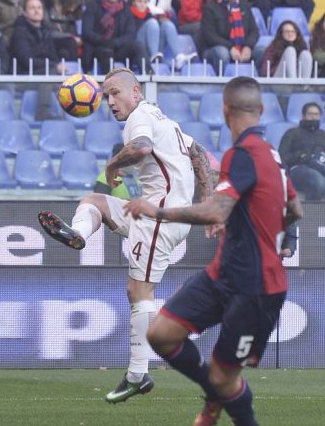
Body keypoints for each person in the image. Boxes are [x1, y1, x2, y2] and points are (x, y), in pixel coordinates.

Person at [124, 76, 304, 426]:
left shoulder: (244, 153)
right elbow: (296, 208)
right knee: (161, 333)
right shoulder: (271, 155)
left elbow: (217, 210)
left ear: (225, 110)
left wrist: (157, 211)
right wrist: (282, 234)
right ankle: (217, 396)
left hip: (256, 285)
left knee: (225, 379)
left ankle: (224, 399)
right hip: (224, 273)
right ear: (262, 110)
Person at [37, 67, 213, 404]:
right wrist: (204, 202)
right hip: (155, 211)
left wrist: (114, 165)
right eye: (105, 96)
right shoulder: (167, 122)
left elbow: (142, 147)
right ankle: (78, 233)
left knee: (138, 290)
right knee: (95, 202)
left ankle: (138, 374)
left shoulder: (139, 119)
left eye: (115, 92)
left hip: (159, 216)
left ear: (137, 92)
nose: (110, 101)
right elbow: (200, 154)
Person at [278, 102, 325, 201]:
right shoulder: (292, 133)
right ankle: (314, 215)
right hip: (299, 168)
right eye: (310, 114)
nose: (313, 117)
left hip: (323, 167)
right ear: (303, 116)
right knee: (319, 182)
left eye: (316, 114)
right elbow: (282, 157)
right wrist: (302, 156)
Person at [126, 0, 196, 70]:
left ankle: (179, 56)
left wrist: (160, 20)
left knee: (167, 25)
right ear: (133, 2)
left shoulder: (149, 15)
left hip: (154, 48)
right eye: (139, 1)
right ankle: (154, 56)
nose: (142, 4)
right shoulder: (128, 14)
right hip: (138, 51)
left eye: (145, 2)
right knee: (152, 23)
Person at [81, 0, 144, 74]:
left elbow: (130, 34)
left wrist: (115, 43)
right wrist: (103, 41)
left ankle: (149, 75)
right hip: (98, 48)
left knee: (138, 45)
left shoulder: (126, 8)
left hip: (118, 48)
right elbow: (86, 31)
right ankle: (112, 84)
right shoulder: (93, 7)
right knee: (106, 52)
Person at [202, 0, 260, 74]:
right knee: (222, 53)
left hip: (242, 47)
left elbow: (254, 31)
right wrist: (230, 47)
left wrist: (248, 46)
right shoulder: (210, 7)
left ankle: (255, 83)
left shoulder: (245, 6)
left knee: (261, 51)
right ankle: (222, 84)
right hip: (216, 49)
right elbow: (209, 35)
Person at [9, 0, 65, 74]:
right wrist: (54, 65)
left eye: (39, 8)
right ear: (24, 12)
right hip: (24, 76)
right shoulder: (19, 33)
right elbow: (27, 61)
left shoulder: (46, 31)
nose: (36, 11)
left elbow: (53, 55)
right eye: (32, 8)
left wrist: (57, 65)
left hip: (44, 71)